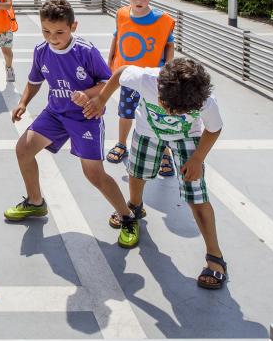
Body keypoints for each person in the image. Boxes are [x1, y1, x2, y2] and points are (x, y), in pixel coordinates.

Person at [81, 58, 227, 288]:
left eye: (181, 112)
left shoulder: (205, 102)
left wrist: (198, 158)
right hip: (147, 131)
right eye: (168, 107)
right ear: (159, 90)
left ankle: (215, 256)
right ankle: (135, 207)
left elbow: (213, 129)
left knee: (196, 195)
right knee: (137, 172)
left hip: (187, 137)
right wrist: (101, 98)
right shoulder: (146, 79)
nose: (172, 114)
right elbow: (120, 73)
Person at [3, 0, 140, 244]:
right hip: (55, 113)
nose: (52, 37)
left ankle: (128, 217)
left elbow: (108, 83)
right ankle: (36, 203)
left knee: (94, 175)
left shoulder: (85, 51)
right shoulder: (41, 51)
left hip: (85, 117)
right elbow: (35, 81)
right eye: (46, 31)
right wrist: (23, 102)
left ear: (73, 27)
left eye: (59, 32)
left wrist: (87, 95)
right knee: (23, 149)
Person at [106, 0, 176, 178]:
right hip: (128, 76)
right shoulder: (122, 14)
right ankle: (121, 143)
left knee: (158, 116)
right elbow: (117, 38)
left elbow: (169, 47)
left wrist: (168, 73)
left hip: (153, 79)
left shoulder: (163, 20)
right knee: (125, 112)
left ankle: (165, 152)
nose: (139, 0)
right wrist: (110, 63)